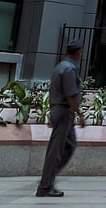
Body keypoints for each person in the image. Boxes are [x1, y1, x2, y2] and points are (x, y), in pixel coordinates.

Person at [36, 39, 86, 198]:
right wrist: (80, 115)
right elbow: (71, 95)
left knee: (69, 145)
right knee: (56, 151)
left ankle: (49, 178)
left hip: (59, 110)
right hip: (64, 112)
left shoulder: (60, 67)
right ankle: (45, 185)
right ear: (78, 52)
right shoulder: (70, 69)